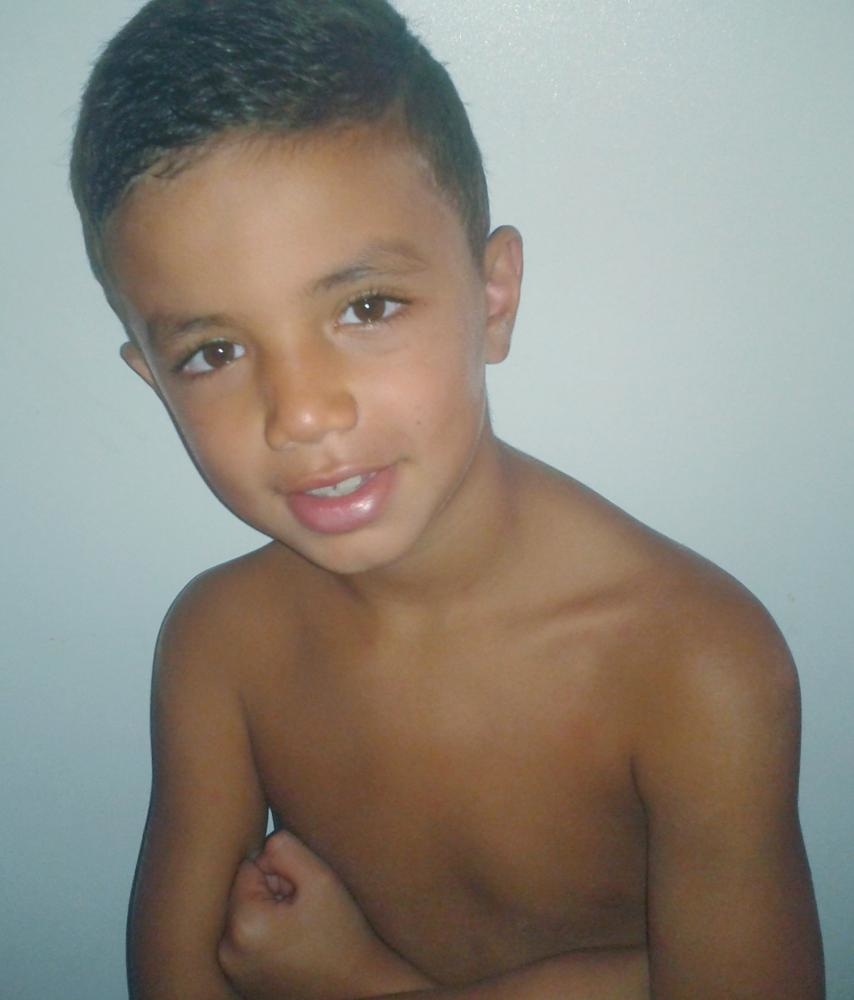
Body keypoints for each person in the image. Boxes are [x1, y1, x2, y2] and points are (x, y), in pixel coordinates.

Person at [70, 1, 824, 997]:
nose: (301, 413)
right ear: (152, 379)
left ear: (492, 296)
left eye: (366, 306)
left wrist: (362, 983)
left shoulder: (694, 663)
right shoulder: (220, 646)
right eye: (213, 353)